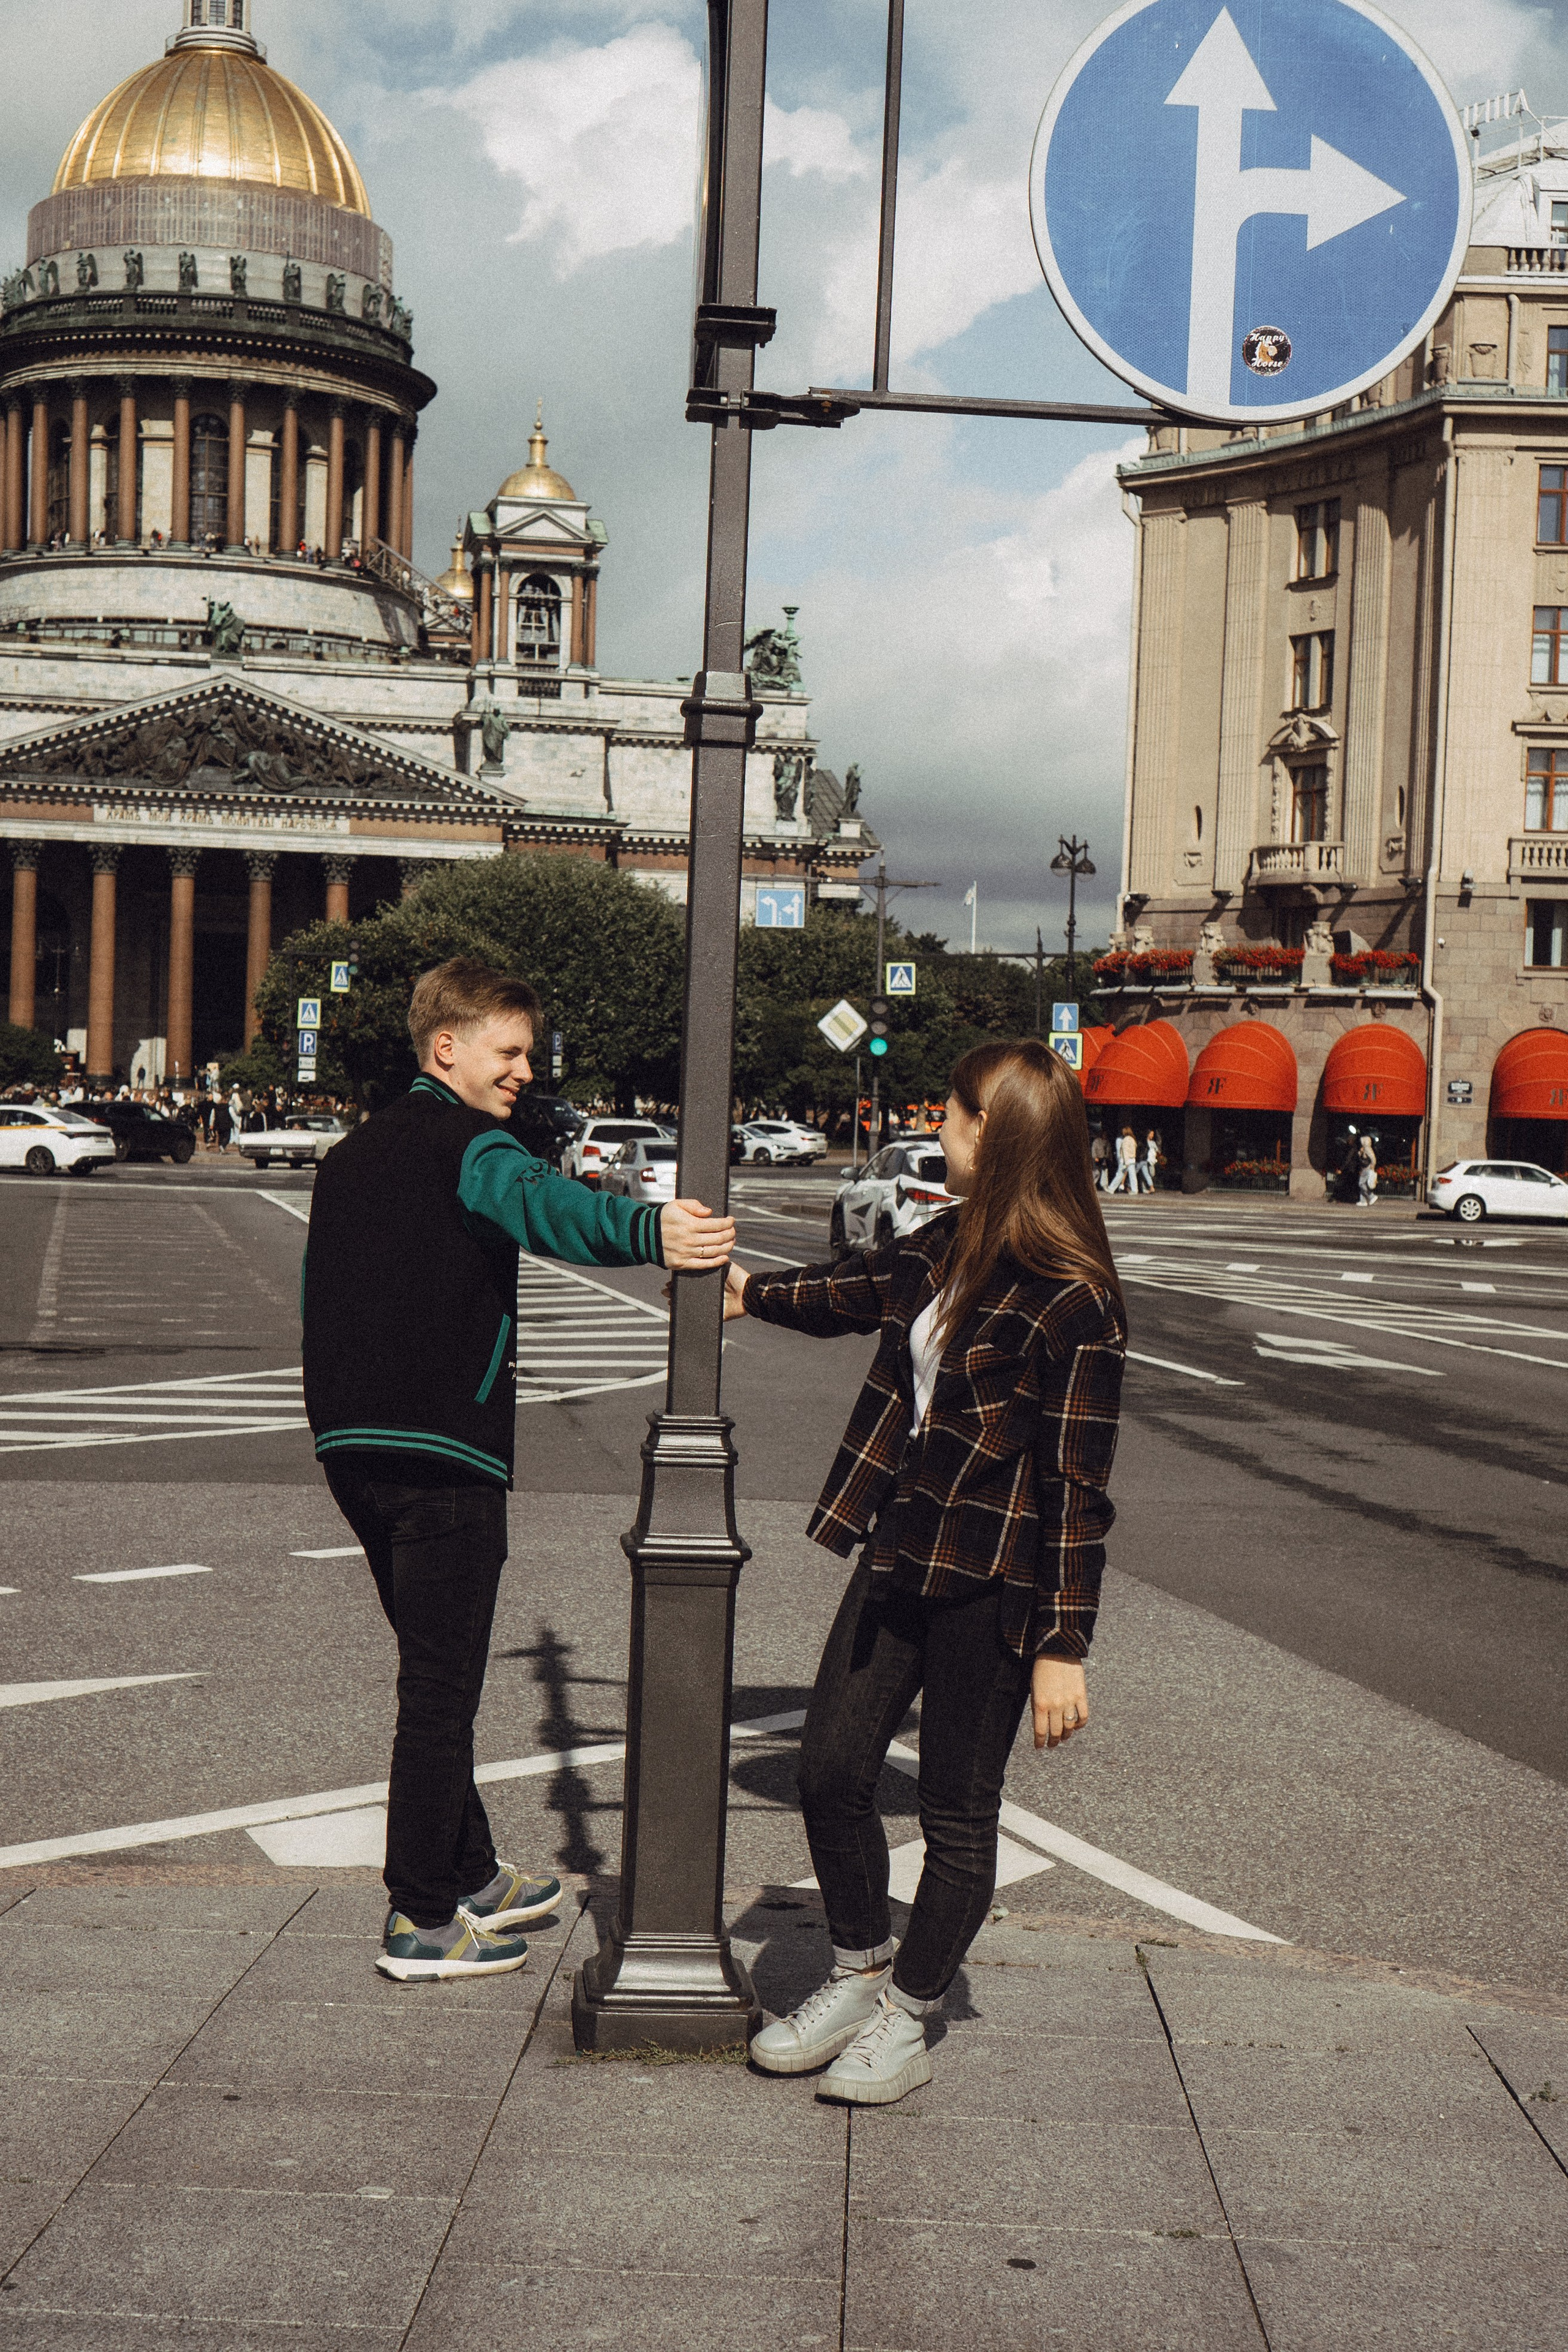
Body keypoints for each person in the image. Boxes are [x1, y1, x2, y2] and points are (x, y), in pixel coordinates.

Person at [302, 957, 735, 1985]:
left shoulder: (351, 1155)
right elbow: (544, 1206)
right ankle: (419, 1915)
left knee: (430, 1663)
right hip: (446, 1451)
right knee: (440, 1687)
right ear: (445, 1047)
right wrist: (649, 1230)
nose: (524, 1072)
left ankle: (469, 1870)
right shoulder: (470, 1145)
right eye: (510, 1051)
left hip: (350, 1448)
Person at [723, 1038, 1123, 2104]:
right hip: (903, 1548)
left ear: (996, 1135)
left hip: (998, 1581)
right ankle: (857, 1969)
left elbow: (1076, 1488)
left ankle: (908, 2014)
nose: (934, 1129)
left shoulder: (1075, 1298)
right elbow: (852, 1290)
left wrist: (1061, 1646)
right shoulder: (943, 1245)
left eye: (949, 1116)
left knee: (956, 1810)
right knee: (830, 1769)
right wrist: (749, 1292)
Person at [1105, 1125, 1139, 1195]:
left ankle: (1111, 1188)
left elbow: (1125, 1152)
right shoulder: (1133, 1139)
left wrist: (1125, 1161)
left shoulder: (1126, 1140)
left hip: (1126, 1161)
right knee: (1132, 1176)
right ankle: (1135, 1190)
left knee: (1120, 1174)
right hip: (1132, 1160)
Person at [1138, 1129, 1161, 1193]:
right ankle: (1144, 1188)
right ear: (1148, 1134)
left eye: (1153, 1134)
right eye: (1151, 1134)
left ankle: (1149, 1187)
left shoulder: (1153, 1143)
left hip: (1151, 1161)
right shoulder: (1143, 1142)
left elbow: (1157, 1151)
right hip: (1145, 1160)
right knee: (1143, 1174)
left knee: (1151, 1174)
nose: (1153, 1136)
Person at [1357, 1135, 1378, 1208]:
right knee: (1363, 1184)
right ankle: (1363, 1201)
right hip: (1365, 1168)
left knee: (1361, 1184)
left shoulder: (1368, 1149)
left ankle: (1371, 1196)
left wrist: (1373, 1166)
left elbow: (1373, 1158)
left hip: (1367, 1168)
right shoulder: (1365, 1148)